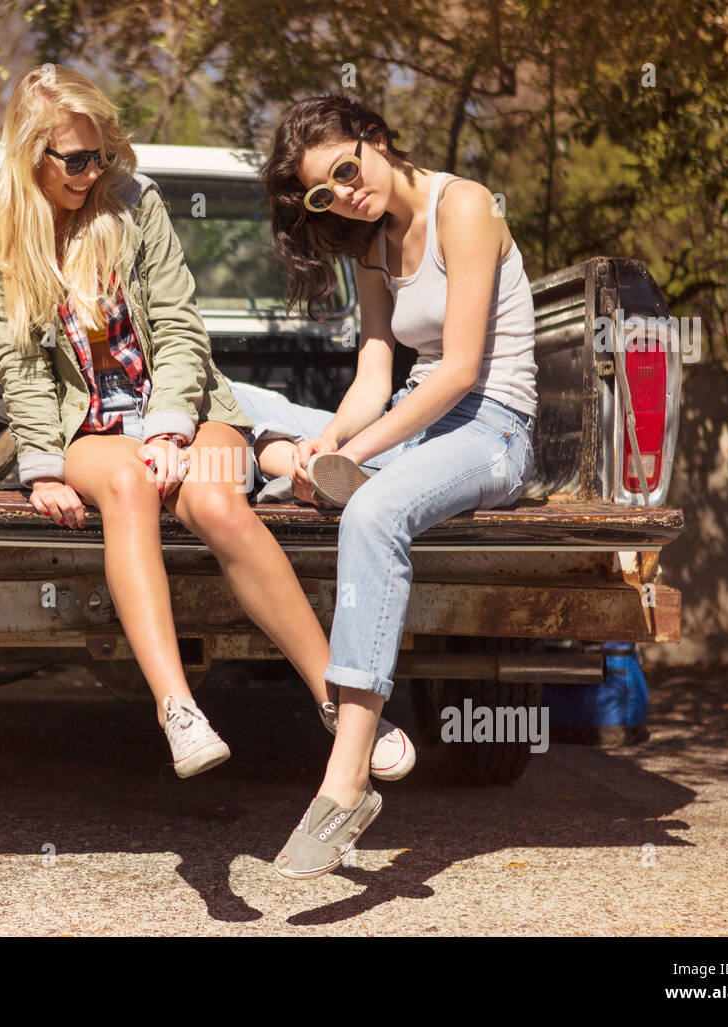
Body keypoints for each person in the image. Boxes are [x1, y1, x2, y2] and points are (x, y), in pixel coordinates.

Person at [0, 67, 415, 782]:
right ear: (27, 153)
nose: (91, 171)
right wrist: (41, 465)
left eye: (100, 153)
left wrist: (169, 429)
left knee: (216, 501)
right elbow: (18, 359)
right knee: (132, 488)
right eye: (74, 160)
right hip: (89, 426)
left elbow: (177, 327)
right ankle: (178, 709)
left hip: (190, 404)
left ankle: (341, 699)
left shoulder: (133, 201)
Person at [258, 94, 538, 878]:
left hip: (493, 432)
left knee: (372, 512)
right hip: (419, 429)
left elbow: (454, 370)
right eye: (324, 192)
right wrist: (331, 440)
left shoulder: (468, 206)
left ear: (374, 138)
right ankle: (305, 463)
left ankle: (345, 781)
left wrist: (360, 456)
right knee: (277, 444)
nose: (345, 193)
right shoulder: (372, 245)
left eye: (346, 169)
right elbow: (375, 372)